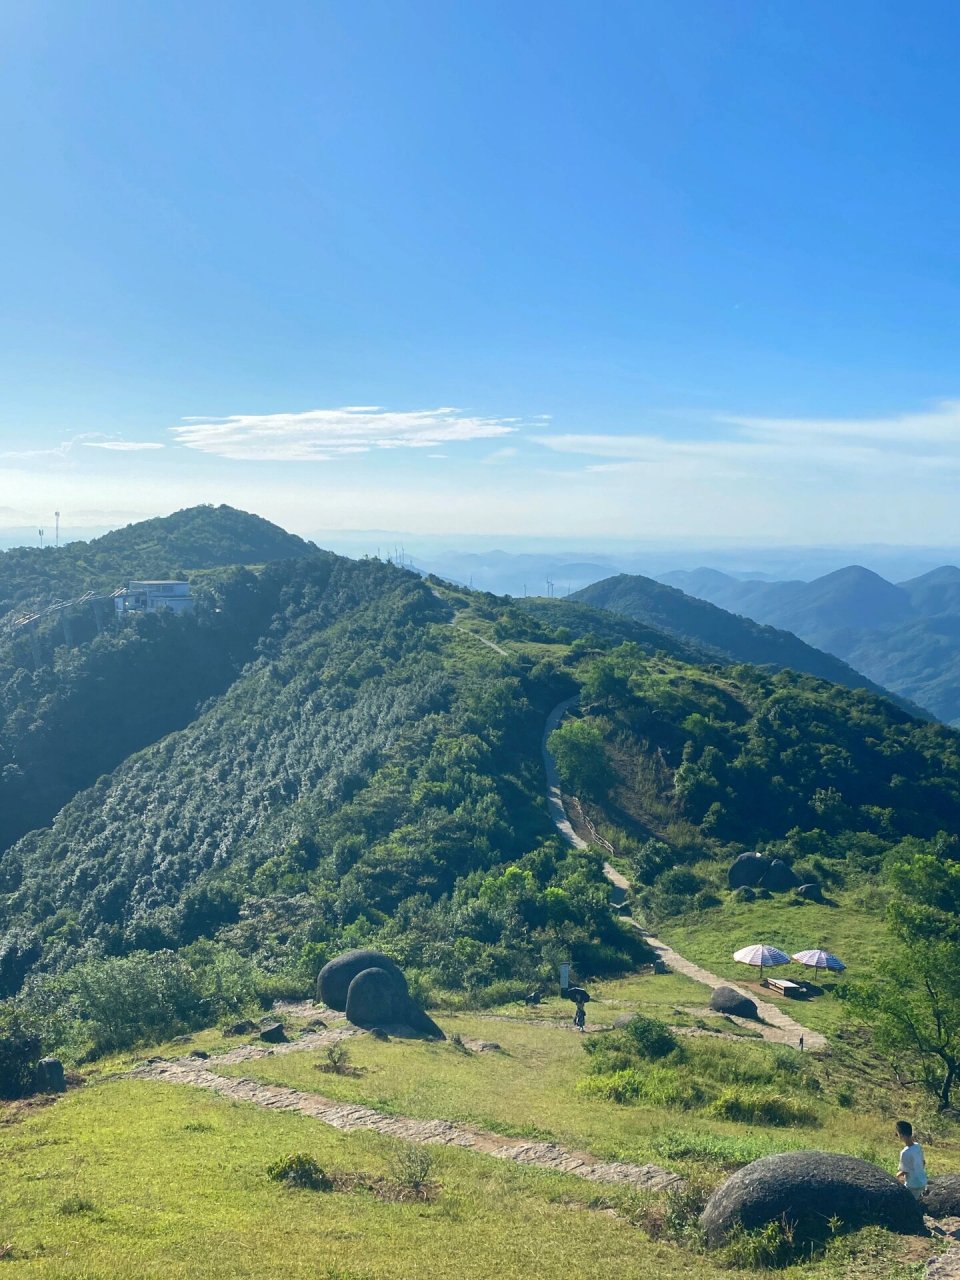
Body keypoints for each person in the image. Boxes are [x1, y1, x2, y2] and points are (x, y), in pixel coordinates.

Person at [895, 1120, 927, 1199]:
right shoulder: (918, 1146)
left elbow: (904, 1172)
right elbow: (923, 1162)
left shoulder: (905, 1153)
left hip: (912, 1185)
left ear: (901, 1135)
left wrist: (895, 1176)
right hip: (922, 1181)